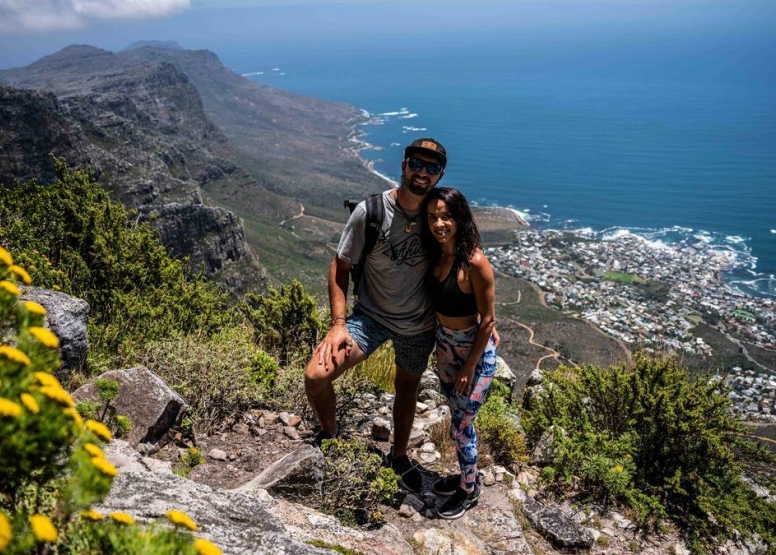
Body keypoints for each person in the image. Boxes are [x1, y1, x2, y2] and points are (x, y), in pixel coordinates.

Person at [304, 138, 450, 493]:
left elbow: (467, 260)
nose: (423, 173)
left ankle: (399, 456)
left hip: (418, 325)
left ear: (440, 174)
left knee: (407, 389)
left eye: (432, 168)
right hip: (369, 318)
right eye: (417, 163)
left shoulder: (440, 216)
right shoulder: (371, 212)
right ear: (403, 165)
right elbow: (340, 265)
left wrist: (485, 320)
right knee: (315, 375)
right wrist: (338, 325)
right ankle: (330, 434)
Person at [421, 186, 497, 520]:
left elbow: (489, 320)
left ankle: (469, 490)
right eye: (433, 217)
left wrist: (469, 366)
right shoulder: (436, 256)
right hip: (446, 347)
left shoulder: (475, 262)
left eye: (446, 216)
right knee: (457, 420)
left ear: (460, 218)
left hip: (474, 354)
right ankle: (466, 476)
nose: (439, 224)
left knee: (462, 425)